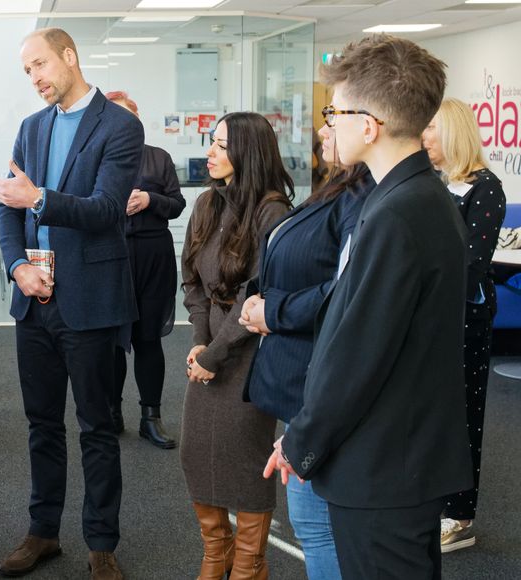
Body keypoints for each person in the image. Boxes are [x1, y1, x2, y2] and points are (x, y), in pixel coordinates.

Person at [265, 36, 472, 579]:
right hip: (402, 457)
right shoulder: (414, 197)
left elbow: (359, 352)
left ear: (369, 124)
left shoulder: (397, 214)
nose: (328, 124)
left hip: (384, 465)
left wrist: (301, 441)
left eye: (335, 111)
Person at [0, 28, 143, 580]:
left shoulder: (120, 126)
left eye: (39, 65)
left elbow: (107, 211)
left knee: (97, 427)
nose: (34, 78)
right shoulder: (31, 128)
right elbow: (8, 210)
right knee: (41, 424)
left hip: (90, 301)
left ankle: (102, 544)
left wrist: (40, 199)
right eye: (26, 70)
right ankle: (43, 532)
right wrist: (17, 267)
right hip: (34, 299)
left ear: (69, 57)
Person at [239, 121, 375, 579]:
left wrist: (272, 312)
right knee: (316, 526)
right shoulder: (338, 188)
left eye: (334, 117)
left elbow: (345, 292)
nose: (321, 129)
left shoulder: (362, 198)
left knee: (318, 529)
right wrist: (259, 300)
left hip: (319, 382)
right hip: (302, 377)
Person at [180, 112, 293, 580]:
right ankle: (216, 554)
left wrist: (214, 354)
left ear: (247, 151)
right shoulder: (206, 203)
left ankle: (249, 566)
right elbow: (193, 281)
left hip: (252, 355)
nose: (210, 151)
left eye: (221, 144)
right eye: (212, 140)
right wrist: (201, 340)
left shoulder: (274, 212)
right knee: (194, 451)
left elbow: (255, 297)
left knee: (247, 460)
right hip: (210, 352)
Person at [422, 97, 507, 553]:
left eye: (431, 129)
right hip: (429, 320)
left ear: (453, 132)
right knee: (432, 416)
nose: (423, 137)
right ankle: (431, 502)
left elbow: (470, 263)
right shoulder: (434, 184)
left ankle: (459, 516)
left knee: (465, 419)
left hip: (464, 321)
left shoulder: (486, 187)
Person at [103, 90, 185, 449]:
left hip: (154, 255)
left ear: (136, 120)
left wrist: (151, 199)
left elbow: (178, 205)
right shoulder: (98, 158)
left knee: (148, 339)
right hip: (112, 255)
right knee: (113, 342)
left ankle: (150, 417)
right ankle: (111, 412)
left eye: (127, 117)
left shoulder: (159, 158)